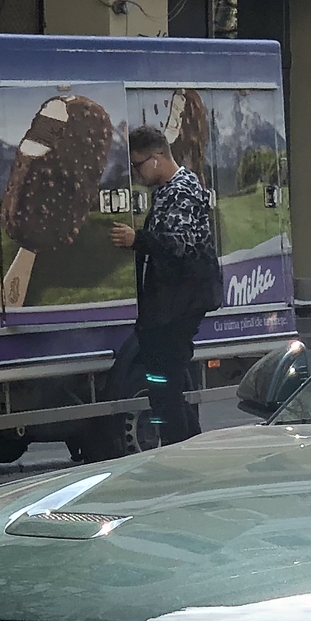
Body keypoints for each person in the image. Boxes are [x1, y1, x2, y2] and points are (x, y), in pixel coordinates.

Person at [109, 126, 221, 444]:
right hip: (168, 306)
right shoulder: (165, 191)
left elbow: (181, 244)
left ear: (158, 158)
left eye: (139, 164)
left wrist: (137, 240)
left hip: (182, 303)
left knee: (166, 384)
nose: (136, 172)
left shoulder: (183, 188)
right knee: (163, 383)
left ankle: (180, 450)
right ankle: (187, 446)